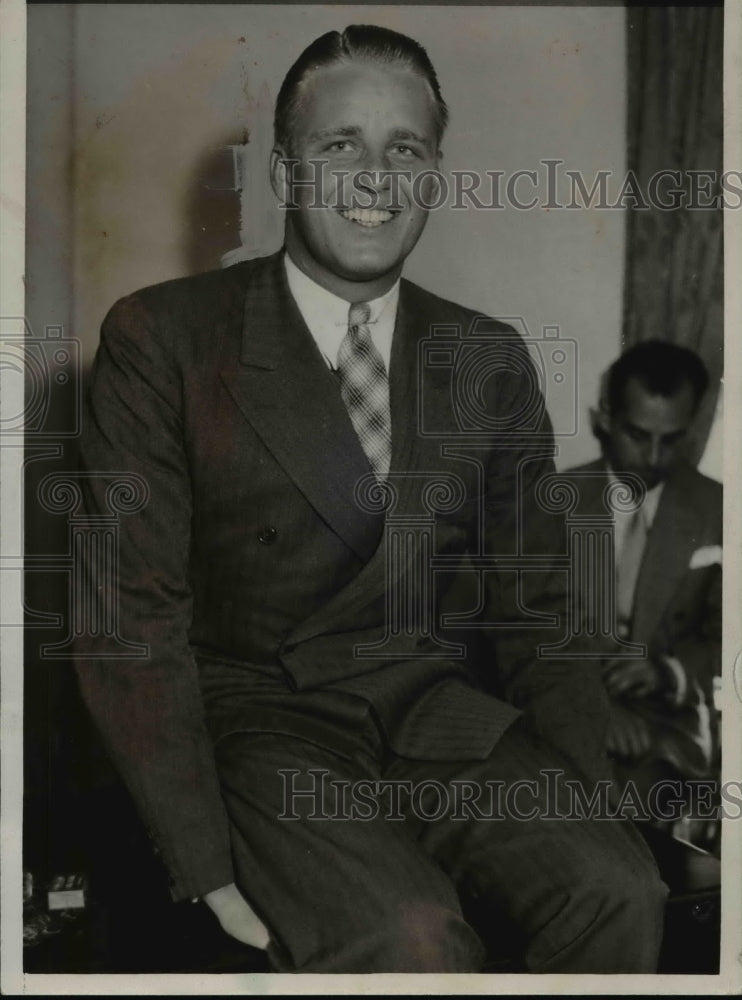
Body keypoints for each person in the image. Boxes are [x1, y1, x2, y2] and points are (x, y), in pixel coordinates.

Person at [74, 24, 666, 973]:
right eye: (338, 144)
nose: (373, 176)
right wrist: (204, 866)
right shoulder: (163, 338)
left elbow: (541, 610)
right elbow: (129, 621)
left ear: (434, 176)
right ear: (283, 171)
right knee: (412, 935)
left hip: (438, 717)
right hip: (260, 729)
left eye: (406, 149)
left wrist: (588, 805)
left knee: (620, 891)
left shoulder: (488, 356)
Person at [563, 340, 722, 820]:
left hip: (673, 721)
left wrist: (666, 673)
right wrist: (590, 709)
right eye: (637, 434)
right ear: (604, 419)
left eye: (671, 439)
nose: (653, 458)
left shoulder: (720, 511)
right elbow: (518, 635)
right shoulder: (548, 504)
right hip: (566, 705)